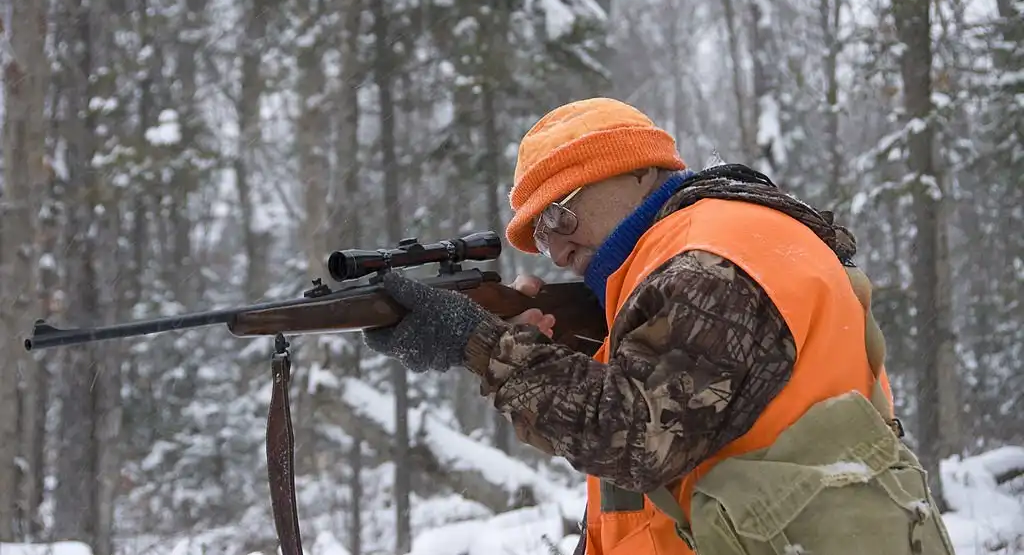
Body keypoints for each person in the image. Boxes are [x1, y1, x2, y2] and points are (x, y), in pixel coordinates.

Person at [364, 98, 957, 555]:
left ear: (636, 174)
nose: (556, 248)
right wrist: (547, 348)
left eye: (560, 214)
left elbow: (637, 439)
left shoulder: (711, 261)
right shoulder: (692, 258)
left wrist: (480, 341)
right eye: (540, 233)